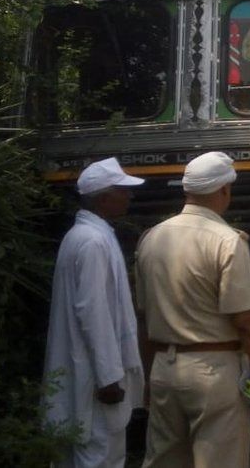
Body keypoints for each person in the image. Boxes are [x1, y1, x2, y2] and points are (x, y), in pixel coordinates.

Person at [136, 151, 250, 468]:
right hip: (213, 372)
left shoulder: (151, 239)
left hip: (164, 366)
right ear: (224, 190)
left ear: (187, 190)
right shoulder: (227, 242)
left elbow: (143, 318)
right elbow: (246, 320)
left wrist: (149, 377)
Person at [43, 157, 146, 468]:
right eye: (122, 190)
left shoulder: (89, 236)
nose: (129, 196)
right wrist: (108, 377)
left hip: (88, 373)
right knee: (100, 455)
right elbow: (93, 312)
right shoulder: (92, 242)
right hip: (96, 380)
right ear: (104, 197)